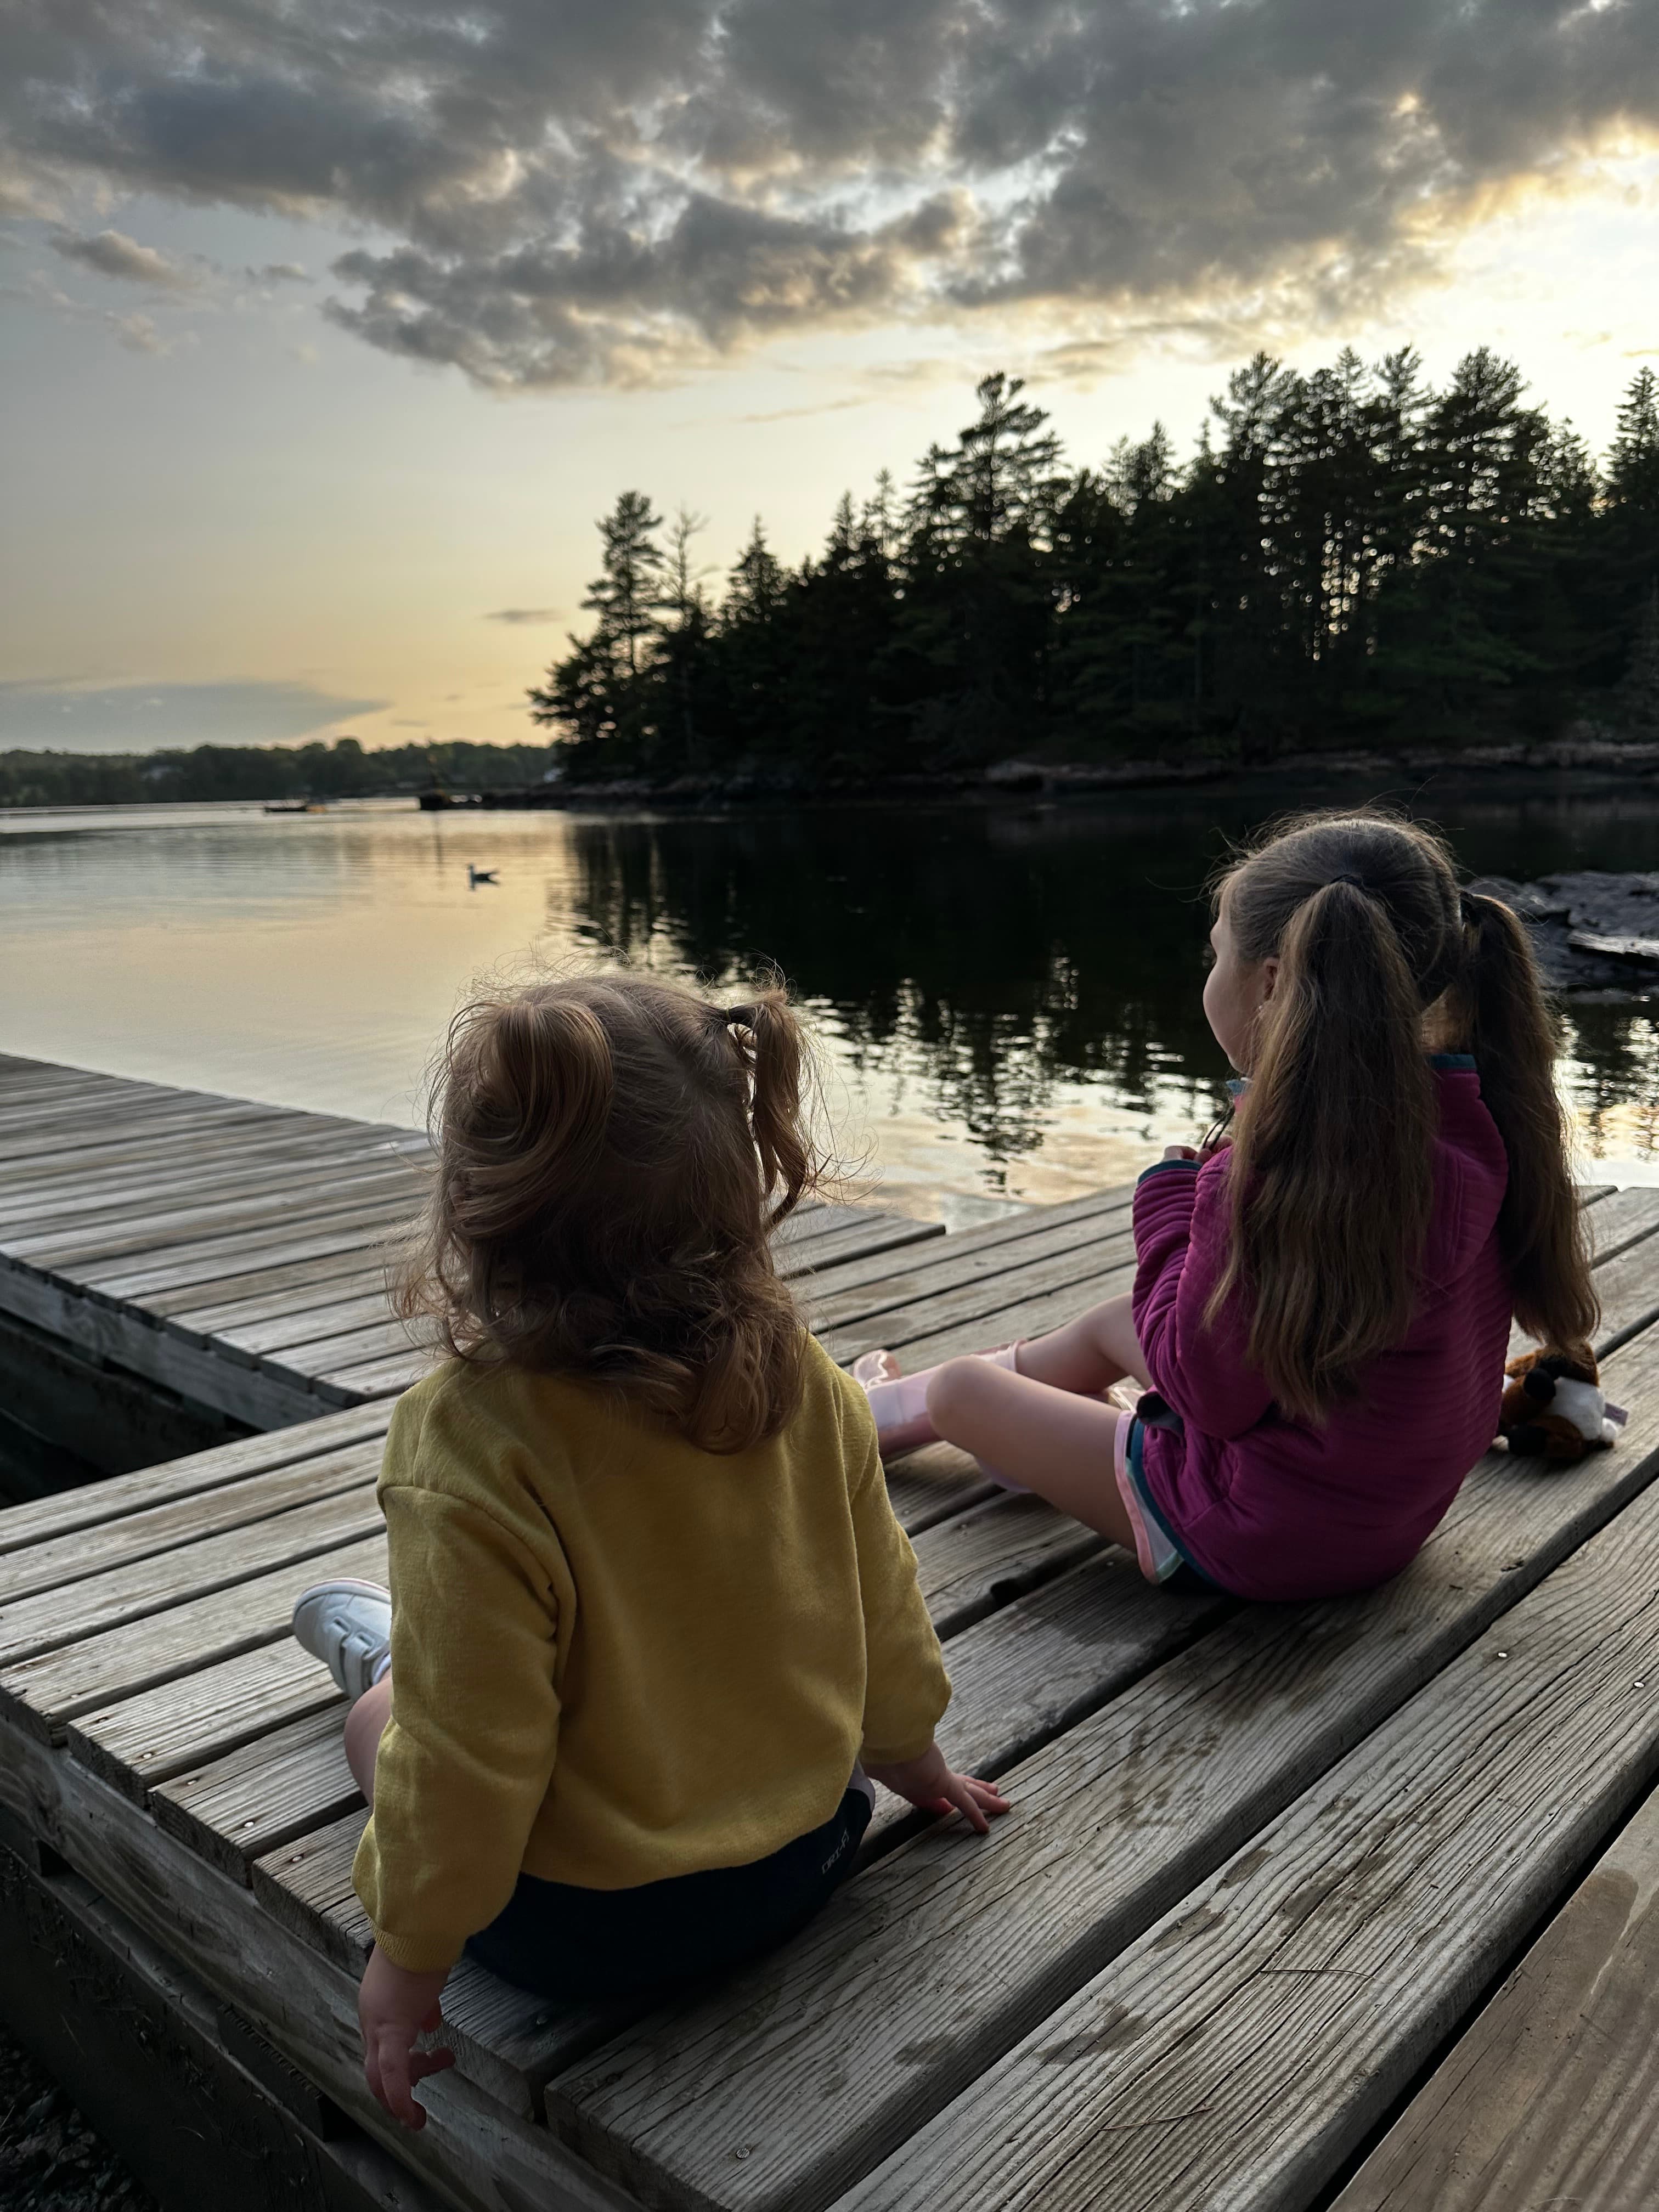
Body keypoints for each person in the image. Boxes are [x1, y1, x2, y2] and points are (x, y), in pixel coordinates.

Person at [292, 975, 1007, 2132]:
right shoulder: (810, 1382)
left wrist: (408, 1964)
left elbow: (471, 1759)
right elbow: (881, 1603)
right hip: (806, 1855)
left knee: (390, 1720)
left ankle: (374, 1660)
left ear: (478, 1212)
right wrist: (915, 1765)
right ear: (736, 1189)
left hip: (583, 1930)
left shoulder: (468, 1441)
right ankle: (388, 1654)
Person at [857, 809, 1598, 1606]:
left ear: (1275, 982)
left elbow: (1207, 1391)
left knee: (961, 1391)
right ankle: (1012, 1438)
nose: (1206, 976)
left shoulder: (1273, 1173)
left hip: (1263, 1533)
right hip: (1387, 1510)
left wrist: (1169, 1206)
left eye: (1215, 956)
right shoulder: (1475, 1126)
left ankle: (880, 1421)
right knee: (1115, 1322)